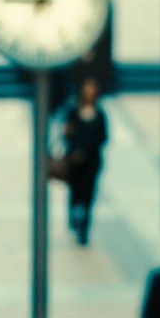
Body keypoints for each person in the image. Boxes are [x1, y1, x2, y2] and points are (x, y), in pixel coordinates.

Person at [51, 77, 108, 245]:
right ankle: (74, 221)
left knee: (88, 195)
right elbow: (66, 133)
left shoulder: (100, 114)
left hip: (91, 162)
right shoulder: (73, 111)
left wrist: (86, 149)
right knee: (75, 193)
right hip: (74, 162)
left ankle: (84, 228)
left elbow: (103, 137)